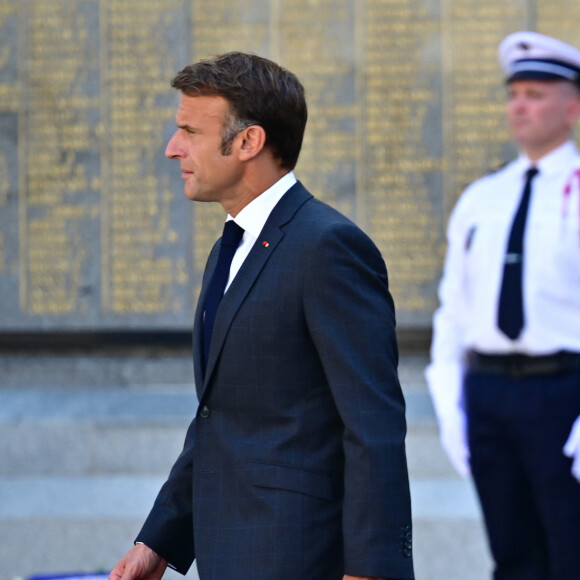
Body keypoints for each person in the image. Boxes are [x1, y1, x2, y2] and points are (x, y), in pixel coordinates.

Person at [109, 52, 414, 580]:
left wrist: (371, 571)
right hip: (232, 554)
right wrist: (157, 539)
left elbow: (374, 424)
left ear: (248, 142)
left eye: (189, 131)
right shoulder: (230, 247)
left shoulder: (328, 247)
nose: (171, 148)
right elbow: (220, 419)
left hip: (301, 556)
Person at [426, 31, 580, 580]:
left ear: (573, 105)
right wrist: (451, 405)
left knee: (572, 554)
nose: (520, 104)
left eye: (537, 93)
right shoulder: (481, 199)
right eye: (514, 93)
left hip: (563, 393)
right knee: (513, 559)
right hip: (489, 394)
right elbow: (453, 312)